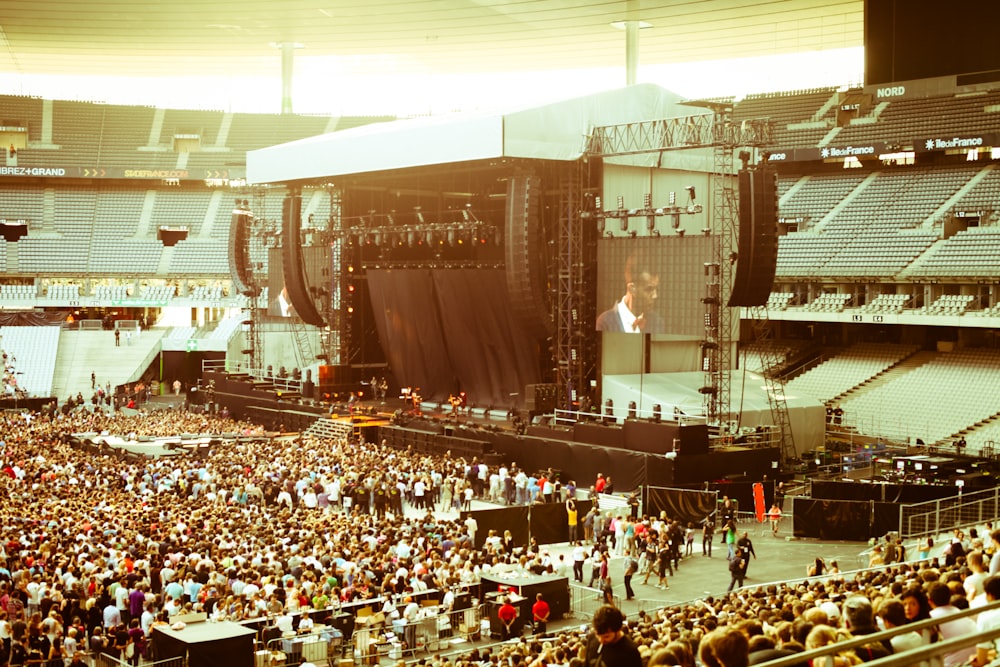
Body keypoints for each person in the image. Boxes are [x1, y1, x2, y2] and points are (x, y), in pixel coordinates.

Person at [595, 254, 662, 333]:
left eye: (656, 289)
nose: (655, 296)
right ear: (632, 289)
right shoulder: (605, 322)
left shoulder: (657, 322)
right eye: (649, 289)